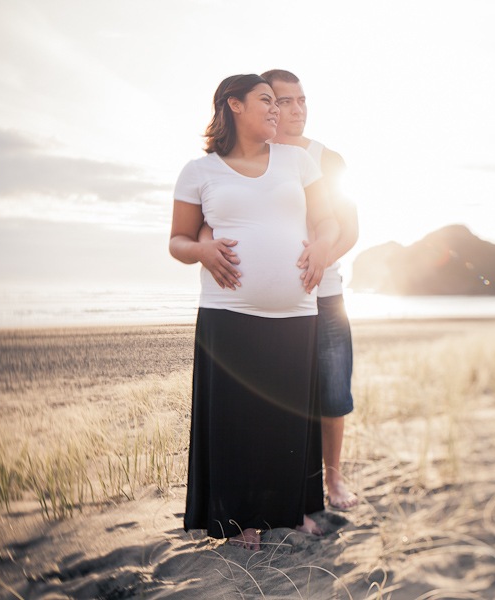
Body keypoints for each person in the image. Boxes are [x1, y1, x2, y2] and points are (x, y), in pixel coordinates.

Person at [169, 74, 337, 550]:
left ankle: (297, 510)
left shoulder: (297, 160)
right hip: (228, 311)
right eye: (266, 100)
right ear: (233, 105)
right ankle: (241, 519)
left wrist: (323, 245)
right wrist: (202, 253)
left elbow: (326, 221)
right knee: (237, 419)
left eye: (279, 103)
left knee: (292, 416)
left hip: (297, 310)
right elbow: (179, 241)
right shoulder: (199, 171)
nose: (276, 109)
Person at [203, 69, 360, 509]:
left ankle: (333, 481)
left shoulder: (327, 159)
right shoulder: (250, 154)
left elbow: (349, 229)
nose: (295, 110)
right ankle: (286, 489)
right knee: (279, 398)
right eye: (283, 101)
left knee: (332, 393)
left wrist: (318, 261)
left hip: (324, 294)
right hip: (262, 305)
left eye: (301, 101)